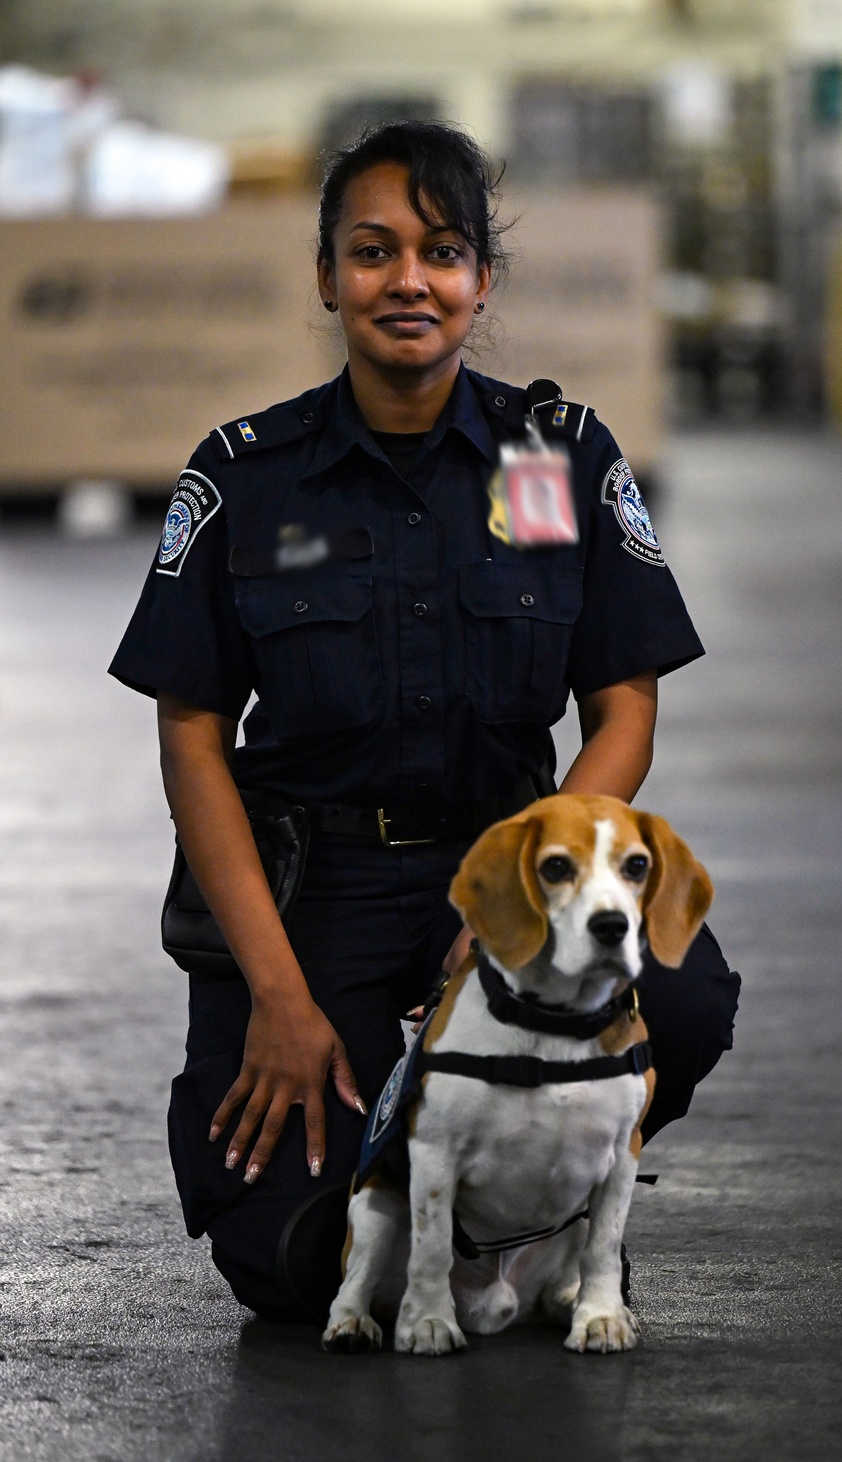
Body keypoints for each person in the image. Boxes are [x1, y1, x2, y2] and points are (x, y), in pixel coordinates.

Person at [109, 121, 740, 1323]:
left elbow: (623, 703)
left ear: (481, 280)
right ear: (327, 276)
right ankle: (449, 1197)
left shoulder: (548, 460)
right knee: (290, 1262)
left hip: (509, 861)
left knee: (684, 995)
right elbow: (192, 740)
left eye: (443, 252)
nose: (410, 280)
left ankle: (539, 1198)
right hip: (321, 888)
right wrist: (280, 1001)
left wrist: (512, 912)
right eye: (373, 251)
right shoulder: (249, 478)